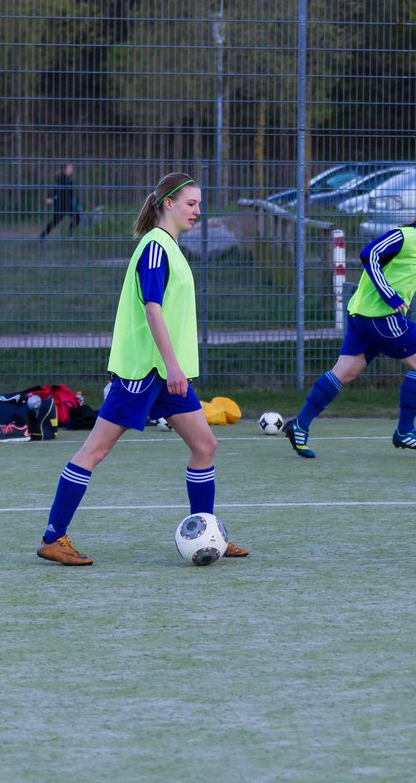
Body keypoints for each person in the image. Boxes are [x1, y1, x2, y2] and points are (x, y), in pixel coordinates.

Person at [36, 172, 248, 565]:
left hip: (166, 373)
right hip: (144, 372)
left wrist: (174, 367)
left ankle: (207, 531)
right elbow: (153, 310)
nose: (198, 211)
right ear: (167, 203)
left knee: (205, 445)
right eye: (191, 203)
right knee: (94, 450)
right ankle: (53, 537)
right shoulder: (155, 248)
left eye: (199, 204)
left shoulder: (170, 247)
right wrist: (171, 366)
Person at [283, 192, 416, 458]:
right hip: (380, 316)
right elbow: (369, 254)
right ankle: (405, 431)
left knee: (345, 372)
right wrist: (390, 296)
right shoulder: (404, 235)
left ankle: (300, 424)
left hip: (362, 315)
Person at [39, 162, 82, 239]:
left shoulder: (67, 179)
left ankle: (68, 233)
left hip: (67, 204)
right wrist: (50, 198)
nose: (71, 169)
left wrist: (77, 202)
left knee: (76, 217)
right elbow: (56, 190)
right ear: (65, 169)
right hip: (62, 205)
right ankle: (43, 236)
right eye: (70, 167)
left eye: (71, 167)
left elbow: (70, 193)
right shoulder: (62, 179)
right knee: (56, 221)